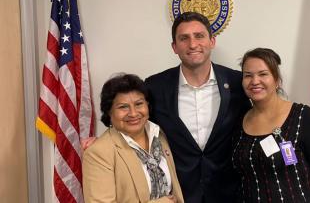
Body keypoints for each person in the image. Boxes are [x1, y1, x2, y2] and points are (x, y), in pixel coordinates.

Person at [144, 12, 251, 202]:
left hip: (230, 193)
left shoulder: (237, 82)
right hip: (179, 194)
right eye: (184, 38)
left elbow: (258, 119)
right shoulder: (155, 87)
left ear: (212, 41)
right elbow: (138, 127)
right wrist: (106, 142)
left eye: (199, 36)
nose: (193, 44)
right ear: (174, 47)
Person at [232, 48, 310, 202]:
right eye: (248, 75)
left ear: (277, 81)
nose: (255, 81)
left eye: (263, 74)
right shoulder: (239, 122)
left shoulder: (302, 116)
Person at [82, 73, 184, 203]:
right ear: (109, 111)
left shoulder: (159, 134)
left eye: (139, 104)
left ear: (147, 105)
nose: (133, 113)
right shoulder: (98, 153)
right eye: (123, 107)